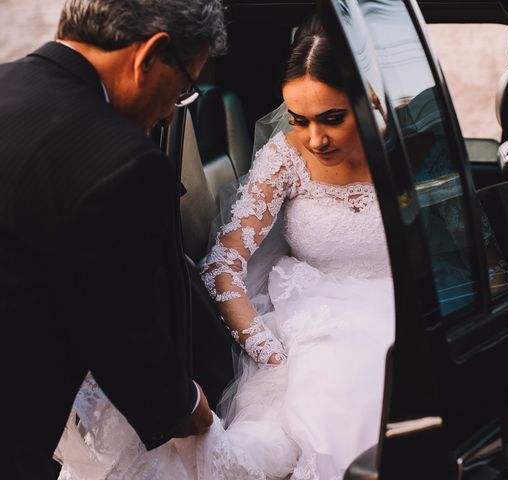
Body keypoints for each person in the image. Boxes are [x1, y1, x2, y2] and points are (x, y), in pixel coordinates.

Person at [55, 15, 395, 480]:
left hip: (407, 318)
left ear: (369, 100)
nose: (315, 138)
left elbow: (471, 255)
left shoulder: (406, 155)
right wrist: (268, 349)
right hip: (311, 324)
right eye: (299, 120)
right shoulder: (287, 158)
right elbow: (222, 266)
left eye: (333, 118)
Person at [0, 1, 227, 478]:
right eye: (184, 89)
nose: (170, 115)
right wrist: (185, 403)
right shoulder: (122, 162)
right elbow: (120, 328)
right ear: (151, 54)